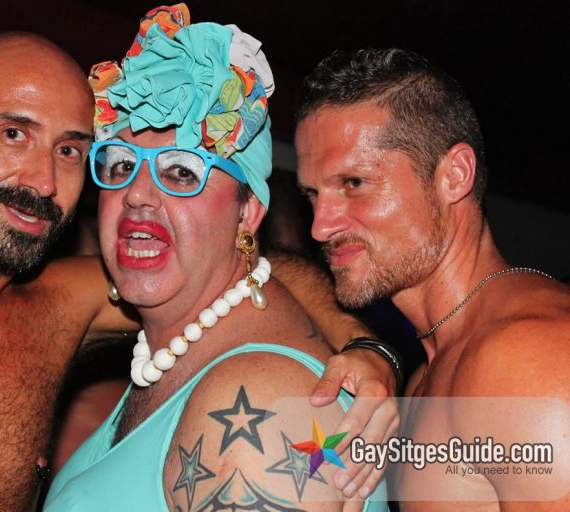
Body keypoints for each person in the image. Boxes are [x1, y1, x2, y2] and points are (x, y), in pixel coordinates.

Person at [0, 31, 392, 511]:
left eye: (70, 151)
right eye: (14, 134)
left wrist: (365, 348)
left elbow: (248, 271)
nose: (43, 181)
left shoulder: (61, 303)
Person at [44, 6, 390, 510]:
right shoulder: (174, 354)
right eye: (119, 164)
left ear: (247, 212)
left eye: (182, 171)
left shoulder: (257, 405)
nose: (137, 193)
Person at [295, 48, 570, 509]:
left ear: (454, 176)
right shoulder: (429, 370)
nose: (320, 227)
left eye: (355, 184)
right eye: (312, 195)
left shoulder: (523, 360)